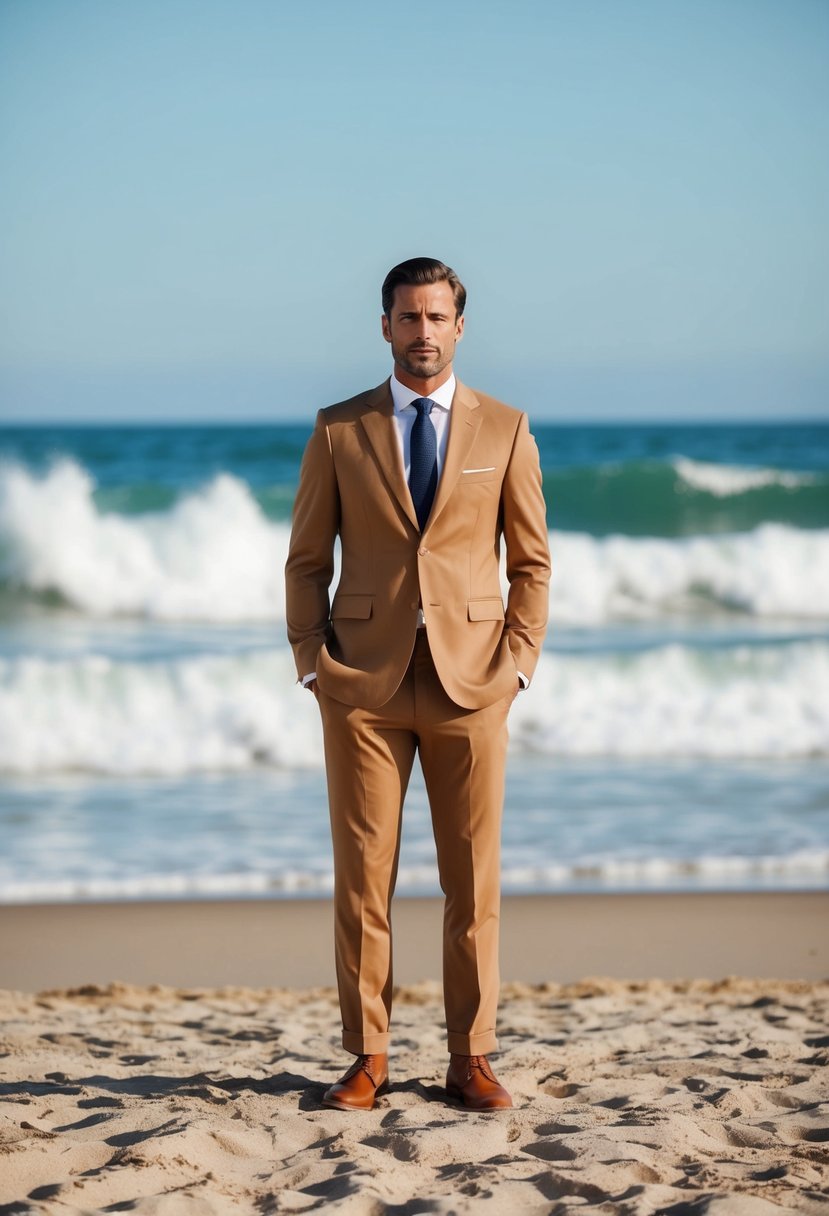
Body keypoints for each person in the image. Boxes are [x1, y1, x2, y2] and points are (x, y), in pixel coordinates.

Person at [285, 256, 550, 1111]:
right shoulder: (339, 429)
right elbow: (304, 559)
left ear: (459, 327)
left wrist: (518, 661)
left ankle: (470, 1058)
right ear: (385, 325)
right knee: (363, 878)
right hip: (361, 683)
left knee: (472, 882)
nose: (423, 333)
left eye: (437, 318)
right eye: (408, 318)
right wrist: (308, 657)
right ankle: (368, 1056)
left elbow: (531, 562)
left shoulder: (504, 429)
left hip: (473, 683)